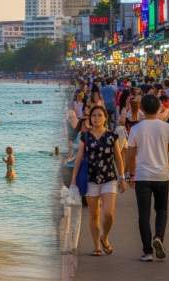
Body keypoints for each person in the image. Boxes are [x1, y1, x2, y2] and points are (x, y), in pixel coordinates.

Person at [126, 94, 169, 262]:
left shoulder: (136, 129)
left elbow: (130, 156)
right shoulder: (167, 127)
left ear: (141, 109)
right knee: (162, 210)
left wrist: (130, 174)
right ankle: (158, 237)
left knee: (144, 214)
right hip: (162, 175)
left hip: (142, 176)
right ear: (159, 108)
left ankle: (147, 251)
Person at [69, 106, 124, 256]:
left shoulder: (112, 136)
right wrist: (74, 178)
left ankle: (104, 237)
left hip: (109, 178)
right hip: (90, 179)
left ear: (105, 118)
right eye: (93, 115)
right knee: (94, 215)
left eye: (100, 115)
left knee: (109, 214)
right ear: (89, 118)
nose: (96, 118)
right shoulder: (85, 137)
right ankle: (96, 246)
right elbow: (79, 158)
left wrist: (122, 177)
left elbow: (118, 158)